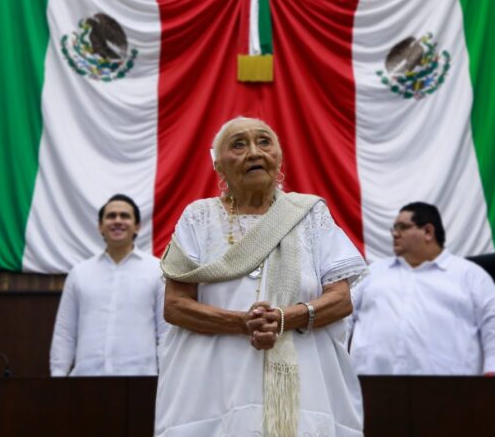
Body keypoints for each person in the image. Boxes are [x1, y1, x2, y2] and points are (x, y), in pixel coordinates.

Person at [156, 117, 366, 437]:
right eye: (238, 145)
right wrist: (242, 322)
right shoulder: (198, 217)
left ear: (279, 158)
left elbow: (340, 300)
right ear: (218, 166)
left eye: (264, 142)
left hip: (305, 388)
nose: (254, 152)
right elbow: (175, 305)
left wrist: (286, 318)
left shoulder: (309, 214)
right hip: (212, 391)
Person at [349, 202, 495, 376]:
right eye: (394, 228)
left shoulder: (470, 275)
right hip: (369, 386)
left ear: (428, 232)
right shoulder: (372, 273)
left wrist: (493, 370)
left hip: (450, 390)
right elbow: (343, 316)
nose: (395, 234)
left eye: (402, 227)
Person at [50, 194, 167, 376]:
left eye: (125, 216)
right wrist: (57, 375)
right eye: (111, 216)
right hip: (86, 381)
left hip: (142, 380)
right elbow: (65, 332)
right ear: (100, 226)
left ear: (137, 226)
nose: (118, 221)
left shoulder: (157, 270)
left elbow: (166, 332)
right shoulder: (79, 273)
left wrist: (167, 376)